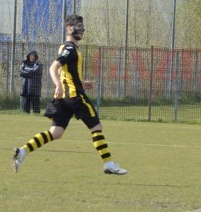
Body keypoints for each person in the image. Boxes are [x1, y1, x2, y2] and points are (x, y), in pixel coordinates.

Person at [12, 14, 127, 175]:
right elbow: (54, 67)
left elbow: (67, 72)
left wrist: (82, 82)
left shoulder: (65, 47)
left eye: (82, 27)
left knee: (55, 133)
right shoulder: (70, 49)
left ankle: (22, 151)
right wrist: (58, 84)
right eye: (79, 27)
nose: (82, 30)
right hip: (74, 96)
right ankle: (108, 163)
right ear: (69, 28)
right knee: (96, 127)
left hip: (64, 98)